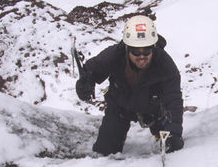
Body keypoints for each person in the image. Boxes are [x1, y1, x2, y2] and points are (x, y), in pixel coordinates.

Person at [75, 14, 184, 156]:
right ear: (127, 48)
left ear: (153, 47)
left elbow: (173, 99)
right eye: (136, 51)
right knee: (105, 151)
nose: (141, 56)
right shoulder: (114, 54)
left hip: (155, 112)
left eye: (146, 50)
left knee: (171, 143)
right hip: (120, 108)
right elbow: (93, 70)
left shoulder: (165, 65)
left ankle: (162, 134)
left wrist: (174, 132)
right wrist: (84, 84)